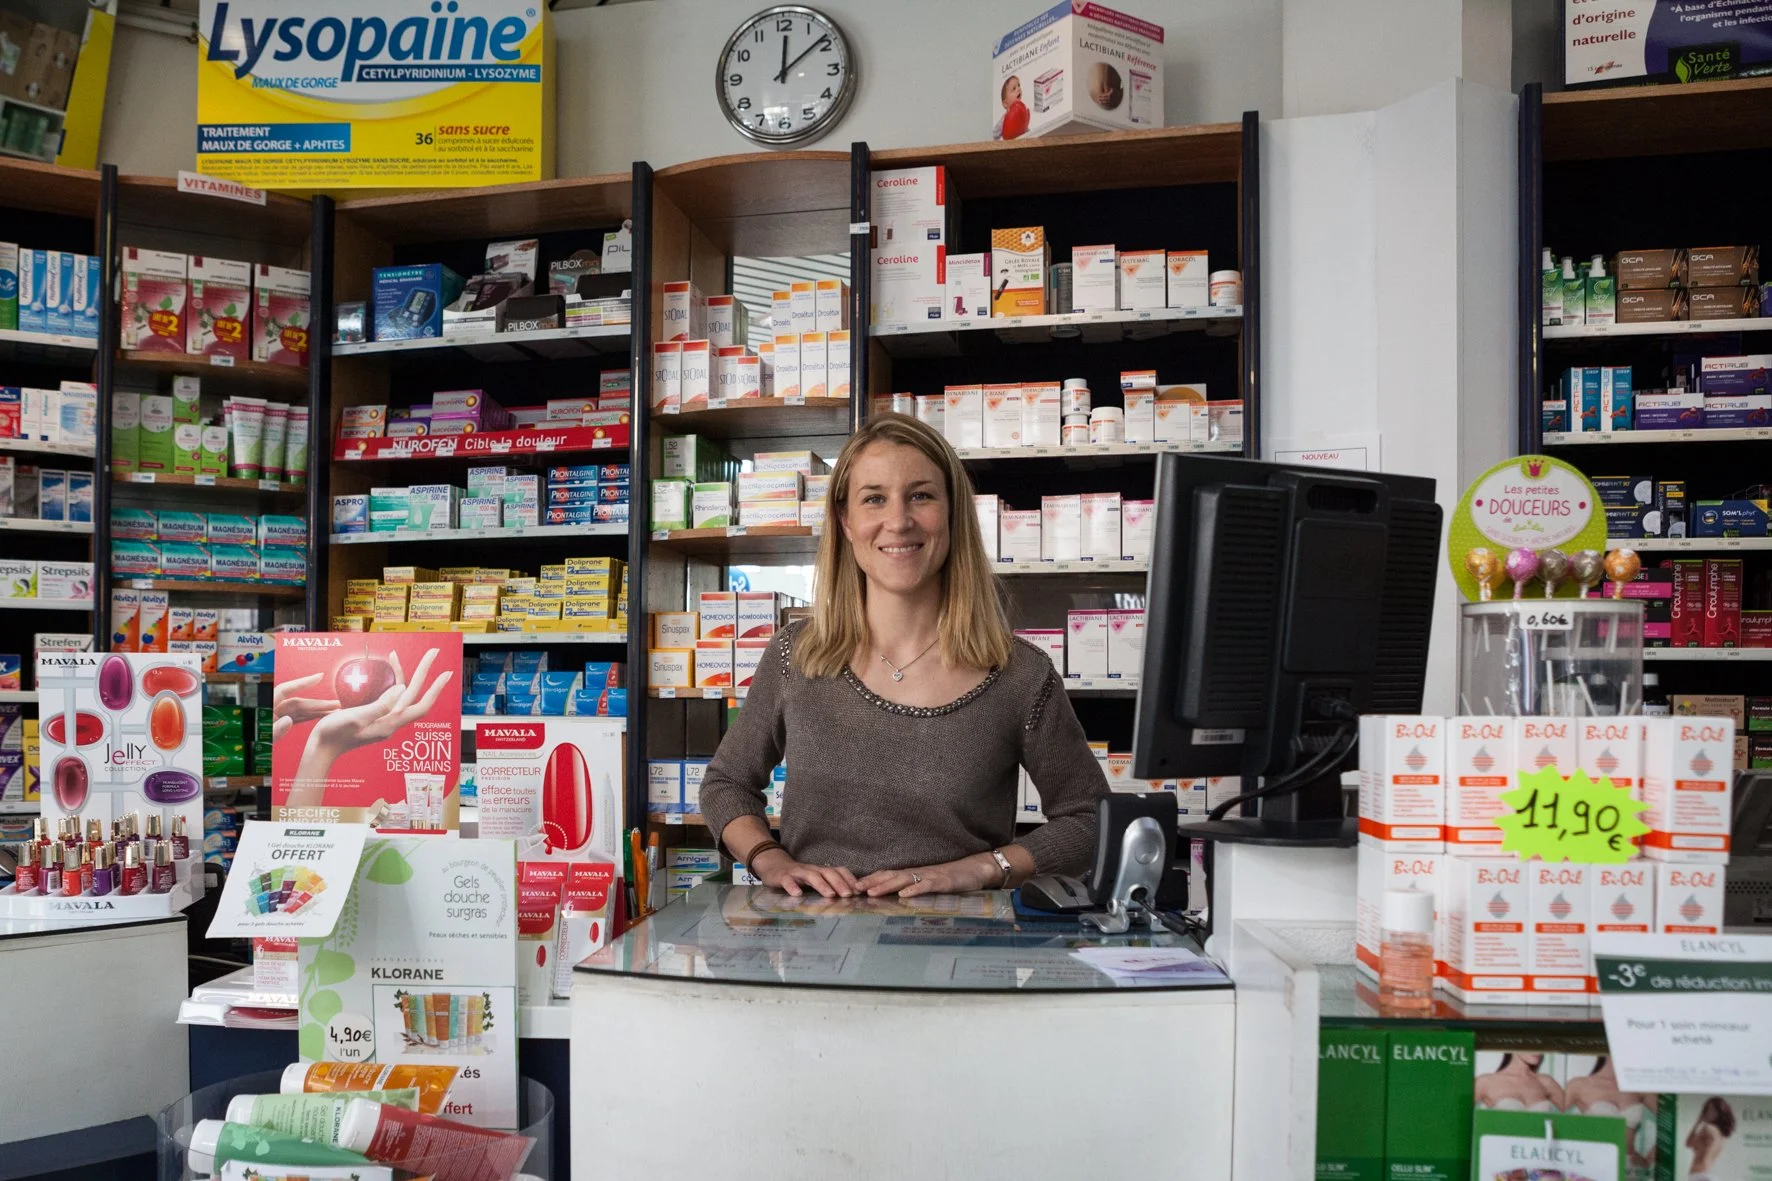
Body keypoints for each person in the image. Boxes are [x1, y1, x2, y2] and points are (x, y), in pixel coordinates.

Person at [699, 413, 1109, 898]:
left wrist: (979, 869)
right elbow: (726, 784)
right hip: (815, 949)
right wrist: (769, 859)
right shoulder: (797, 655)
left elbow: (1090, 820)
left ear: (953, 514)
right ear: (846, 523)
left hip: (958, 954)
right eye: (874, 498)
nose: (898, 521)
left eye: (922, 495)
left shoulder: (1018, 673)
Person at [1564, 1057, 1656, 1169]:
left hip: (1628, 1167)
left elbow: (1672, 1122)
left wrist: (1648, 1159)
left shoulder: (1640, 1087)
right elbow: (1550, 1121)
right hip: (1594, 1164)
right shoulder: (1579, 1085)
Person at [1473, 1052, 1566, 1111]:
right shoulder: (1485, 1081)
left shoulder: (1546, 1082)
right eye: (1531, 1044)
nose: (1538, 1051)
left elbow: (1572, 1120)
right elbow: (1461, 1117)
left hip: (1539, 1142)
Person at [1686, 1095, 1734, 1180]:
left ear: (1720, 1113)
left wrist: (1697, 1123)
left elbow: (1688, 1143)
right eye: (1707, 1109)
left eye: (1713, 1110)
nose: (1709, 1113)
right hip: (1706, 1174)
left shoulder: (1708, 1129)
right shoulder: (1721, 1135)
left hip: (1699, 1175)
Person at [995, 74, 1030, 140]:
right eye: (1014, 88)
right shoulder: (1004, 120)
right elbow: (994, 135)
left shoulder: (1023, 111)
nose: (1018, 89)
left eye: (1018, 85)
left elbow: (1025, 129)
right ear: (1005, 103)